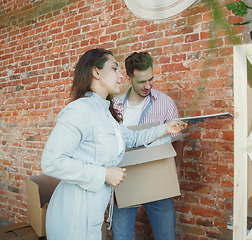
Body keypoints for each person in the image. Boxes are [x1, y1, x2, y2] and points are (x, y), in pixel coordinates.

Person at [40, 48, 187, 240]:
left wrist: (165, 129)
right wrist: (104, 174)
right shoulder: (80, 110)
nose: (120, 75)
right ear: (96, 72)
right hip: (73, 214)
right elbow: (51, 162)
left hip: (92, 212)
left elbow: (131, 138)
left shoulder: (106, 112)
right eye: (114, 68)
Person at [112, 52, 184, 240]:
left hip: (158, 176)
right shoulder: (115, 105)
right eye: (142, 81)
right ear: (129, 78)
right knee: (120, 235)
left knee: (166, 235)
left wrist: (177, 166)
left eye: (151, 79)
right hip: (124, 178)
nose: (148, 86)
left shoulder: (165, 102)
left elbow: (178, 138)